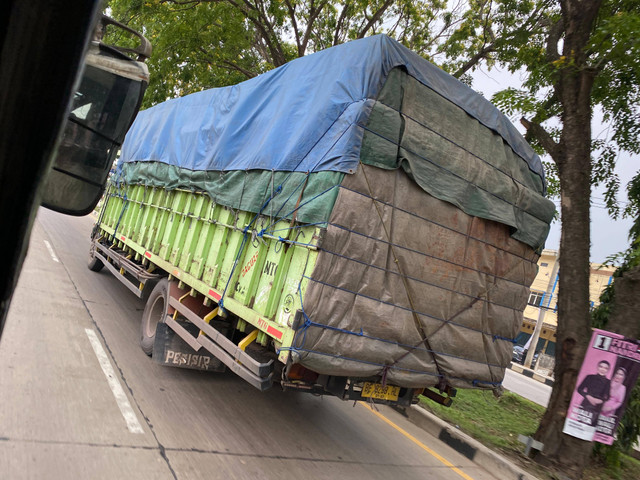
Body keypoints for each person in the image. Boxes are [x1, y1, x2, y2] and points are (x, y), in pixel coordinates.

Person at [576, 360, 611, 425]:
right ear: (597, 367)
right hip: (586, 404)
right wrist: (588, 396)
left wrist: (600, 401)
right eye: (601, 367)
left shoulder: (608, 382)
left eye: (605, 368)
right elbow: (579, 389)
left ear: (608, 370)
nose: (602, 369)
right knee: (580, 425)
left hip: (597, 407)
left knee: (590, 427)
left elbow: (608, 396)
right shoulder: (589, 377)